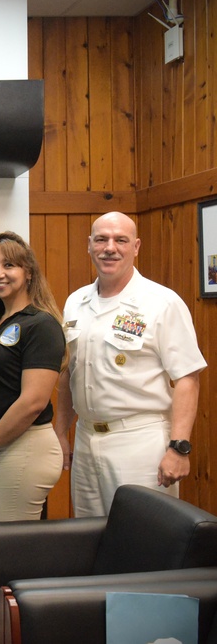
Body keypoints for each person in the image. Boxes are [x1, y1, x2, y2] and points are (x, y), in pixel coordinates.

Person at [53, 212, 206, 517]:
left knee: (145, 540)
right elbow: (70, 374)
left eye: (120, 240)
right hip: (85, 439)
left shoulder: (162, 302)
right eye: (102, 239)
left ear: (135, 247)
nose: (110, 248)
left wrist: (179, 447)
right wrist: (60, 432)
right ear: (89, 245)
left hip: (140, 440)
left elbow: (187, 378)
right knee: (90, 537)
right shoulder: (76, 302)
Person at [0, 232, 65, 522]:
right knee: (6, 548)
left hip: (24, 447)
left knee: (11, 554)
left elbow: (33, 401)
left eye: (9, 265)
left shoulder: (41, 324)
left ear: (28, 272)